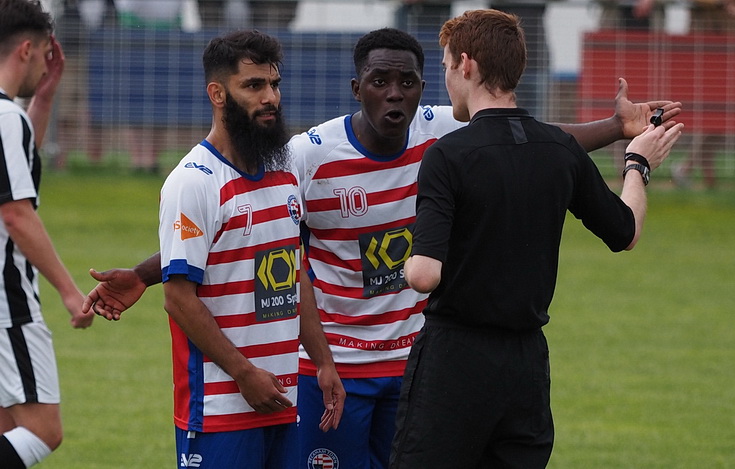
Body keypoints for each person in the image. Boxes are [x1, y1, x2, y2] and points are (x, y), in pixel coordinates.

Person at [81, 28, 681, 469]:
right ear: (356, 89)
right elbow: (243, 222)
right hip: (333, 365)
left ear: (425, 89)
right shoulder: (308, 156)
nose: (394, 95)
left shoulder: (441, 134)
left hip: (418, 364)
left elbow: (539, 141)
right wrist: (145, 272)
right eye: (379, 82)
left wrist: (617, 127)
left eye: (408, 82)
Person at [390, 9, 684, 468]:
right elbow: (625, 232)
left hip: (455, 362)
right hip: (526, 365)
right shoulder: (557, 149)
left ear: (466, 65)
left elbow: (425, 275)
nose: (446, 79)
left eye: (446, 67)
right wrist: (636, 165)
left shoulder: (447, 155)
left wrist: (403, 263)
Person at [154, 29, 343, 467]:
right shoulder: (194, 181)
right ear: (217, 94)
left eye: (274, 84)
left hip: (280, 397)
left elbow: (296, 274)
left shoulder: (284, 171)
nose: (270, 98)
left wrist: (323, 362)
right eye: (254, 86)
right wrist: (243, 374)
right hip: (220, 409)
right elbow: (178, 298)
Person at [0, 1, 94, 468]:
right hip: (8, 303)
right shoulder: (4, 118)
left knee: (6, 427)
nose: (45, 63)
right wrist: (70, 291)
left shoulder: (8, 119)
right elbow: (16, 213)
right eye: (43, 54)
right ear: (25, 50)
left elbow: (17, 169)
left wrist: (45, 97)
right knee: (41, 430)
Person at [671, 0, 735, 189]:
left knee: (718, 116)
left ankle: (694, 171)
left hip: (724, 47)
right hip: (706, 48)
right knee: (715, 114)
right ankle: (692, 170)